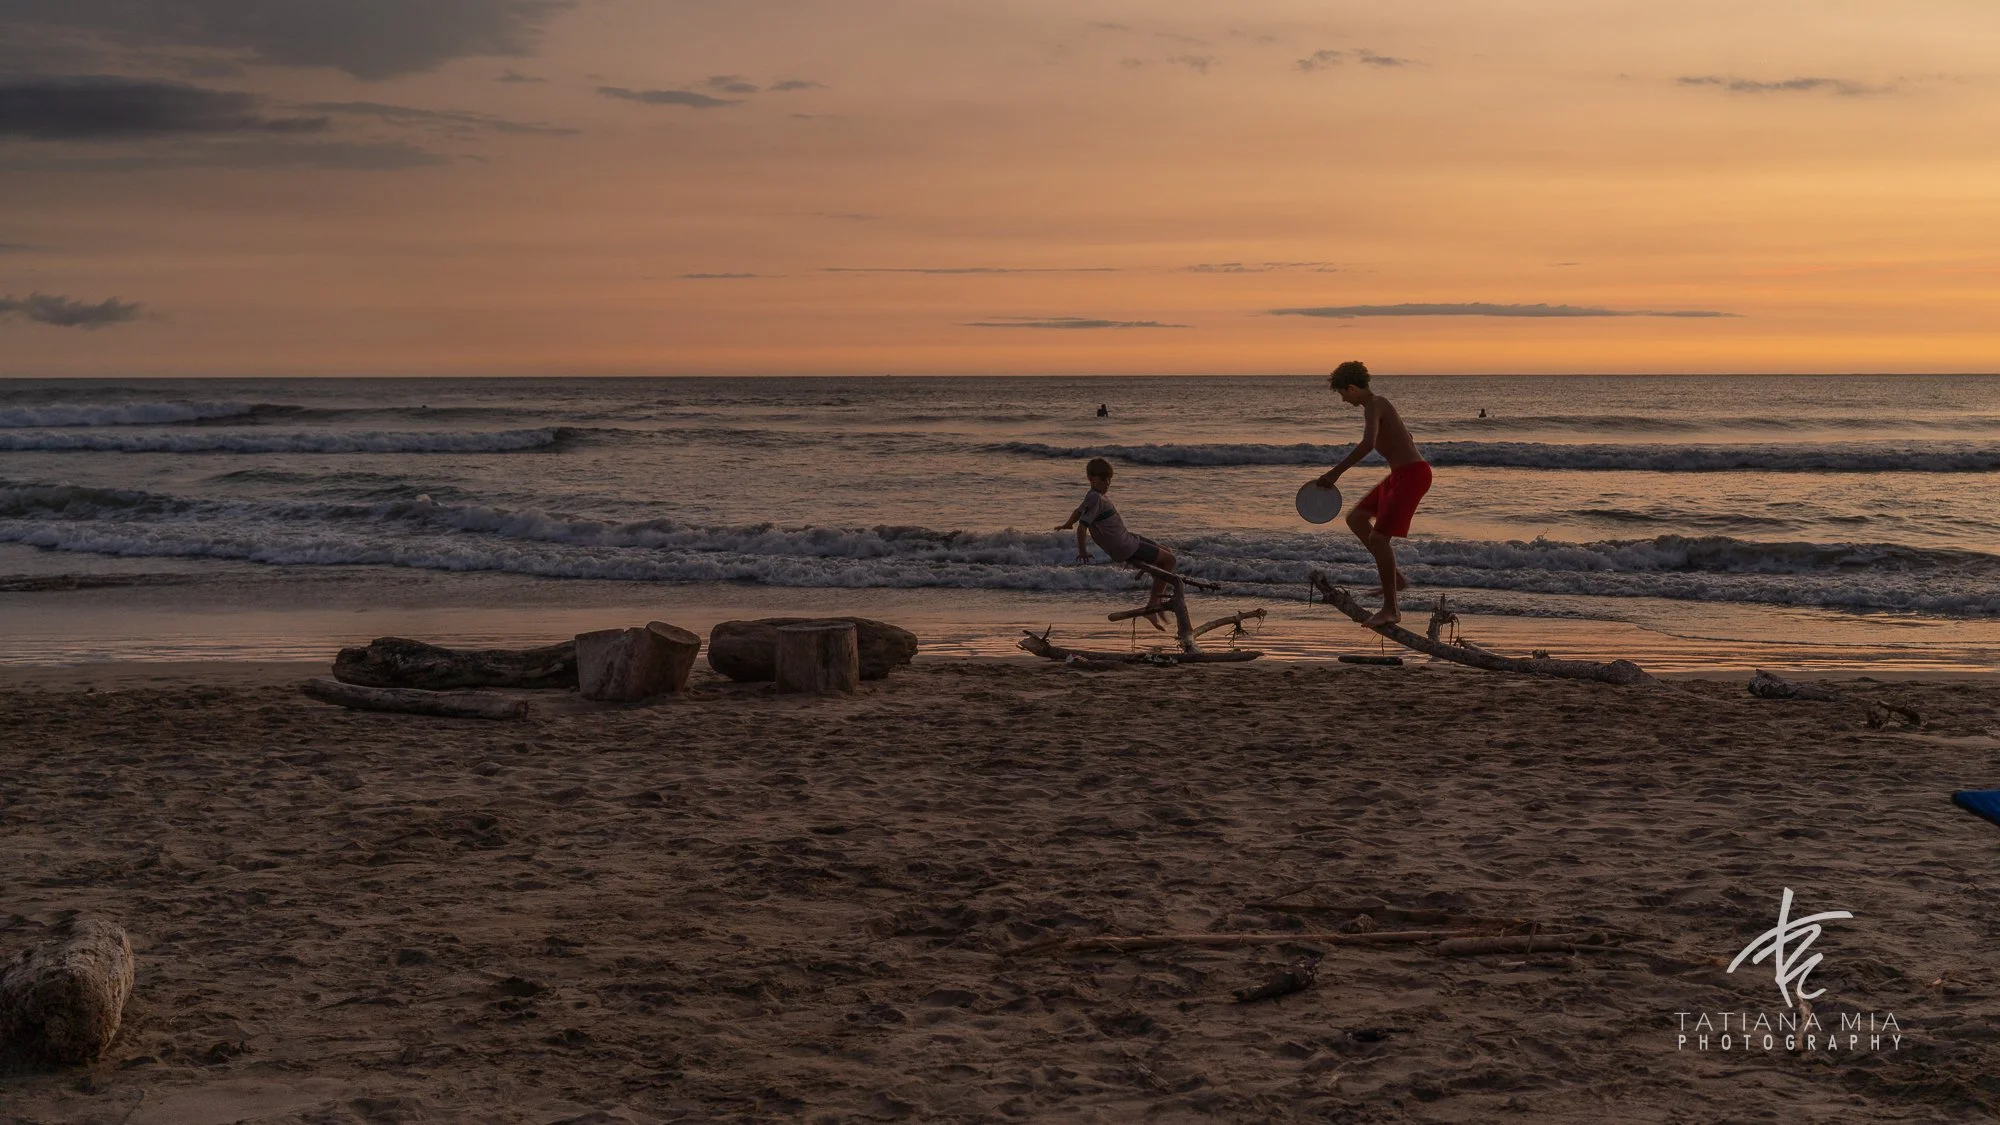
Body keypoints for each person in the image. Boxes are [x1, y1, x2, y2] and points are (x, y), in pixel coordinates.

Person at [1314, 361, 1431, 627]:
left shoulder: (1376, 404)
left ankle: (1391, 609)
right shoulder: (1379, 407)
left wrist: (1335, 474)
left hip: (1412, 476)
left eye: (1343, 393)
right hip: (1400, 475)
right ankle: (1396, 579)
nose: (1343, 400)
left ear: (1352, 387)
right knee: (1356, 519)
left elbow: (1367, 445)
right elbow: (1405, 436)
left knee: (1379, 539)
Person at [1056, 457, 1179, 630]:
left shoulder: (1093, 496)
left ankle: (1151, 586)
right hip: (1125, 546)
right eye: (1103, 479)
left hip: (1127, 538)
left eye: (1109, 480)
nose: (1107, 483)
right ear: (1091, 478)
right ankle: (1152, 607)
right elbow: (1082, 528)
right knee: (1170, 561)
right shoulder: (1095, 499)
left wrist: (1068, 523)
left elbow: (1078, 511)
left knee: (1165, 551)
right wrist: (1082, 551)